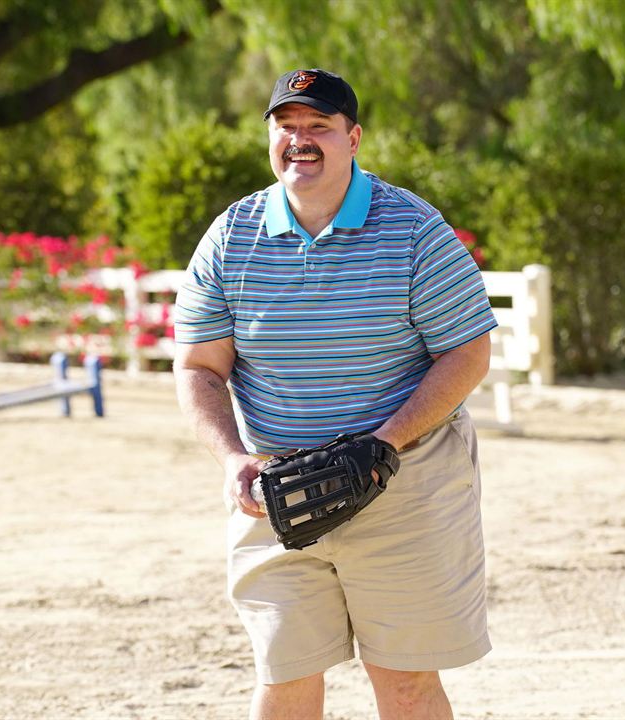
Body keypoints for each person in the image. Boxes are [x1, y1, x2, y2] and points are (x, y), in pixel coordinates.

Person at [173, 68, 497, 720]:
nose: (300, 140)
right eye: (286, 127)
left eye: (318, 126)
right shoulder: (231, 238)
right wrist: (233, 459)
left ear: (353, 138)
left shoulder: (412, 230)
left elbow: (468, 352)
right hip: (277, 492)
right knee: (285, 677)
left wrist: (384, 442)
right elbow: (199, 368)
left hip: (403, 482)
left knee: (404, 683)